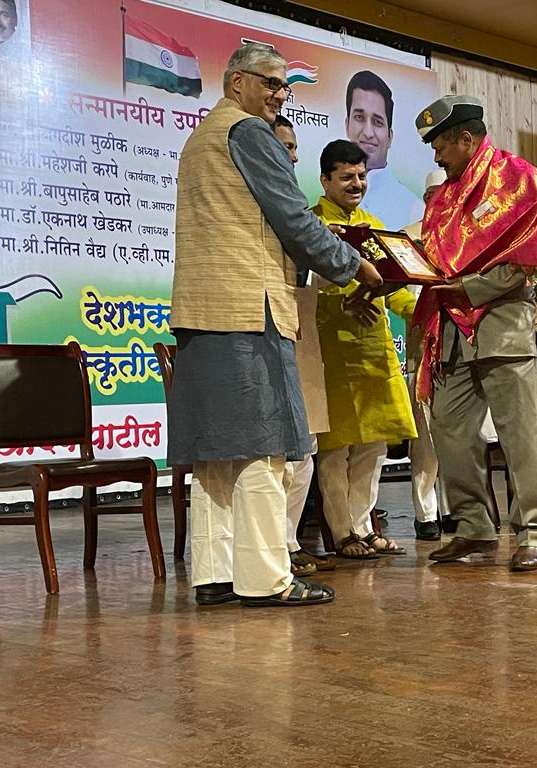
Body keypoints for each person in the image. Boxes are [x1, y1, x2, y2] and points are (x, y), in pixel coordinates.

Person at [168, 43, 381, 608]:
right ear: (236, 82)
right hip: (248, 306)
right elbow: (292, 217)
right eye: (270, 82)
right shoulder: (249, 132)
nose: (280, 94)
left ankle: (214, 574)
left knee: (217, 454)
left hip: (201, 312)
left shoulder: (200, 138)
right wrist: (353, 266)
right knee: (262, 448)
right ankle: (266, 578)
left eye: (285, 85)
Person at [413, 95, 537, 573]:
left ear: (466, 139)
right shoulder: (443, 199)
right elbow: (431, 262)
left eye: (441, 146)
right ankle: (474, 528)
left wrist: (470, 288)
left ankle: (533, 533)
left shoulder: (520, 179)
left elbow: (531, 260)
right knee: (449, 433)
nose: (437, 157)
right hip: (451, 335)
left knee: (519, 438)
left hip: (502, 329)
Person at [312, 139, 417, 560]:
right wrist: (340, 306)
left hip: (374, 350)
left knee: (373, 446)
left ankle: (363, 526)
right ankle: (342, 534)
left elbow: (393, 288)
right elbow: (304, 291)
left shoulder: (374, 226)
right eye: (346, 177)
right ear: (325, 180)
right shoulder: (312, 226)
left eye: (361, 176)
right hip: (331, 350)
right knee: (335, 447)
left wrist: (426, 310)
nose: (356, 184)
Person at [268, 114, 336, 577]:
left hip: (302, 331)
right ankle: (271, 550)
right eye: (284, 147)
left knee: (306, 448)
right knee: (279, 454)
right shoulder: (262, 201)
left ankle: (289, 543)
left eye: (295, 148)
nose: (292, 157)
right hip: (268, 332)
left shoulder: (302, 211)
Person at [402, 169, 448, 540]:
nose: (439, 198)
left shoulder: (463, 236)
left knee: (460, 437)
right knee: (427, 441)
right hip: (423, 350)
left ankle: (457, 509)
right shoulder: (409, 238)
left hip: (460, 348)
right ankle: (426, 514)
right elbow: (404, 298)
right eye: (433, 193)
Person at [345, 70, 424, 230]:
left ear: (390, 136)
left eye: (378, 122)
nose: (368, 133)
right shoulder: (329, 198)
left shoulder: (415, 211)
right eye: (359, 117)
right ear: (347, 125)